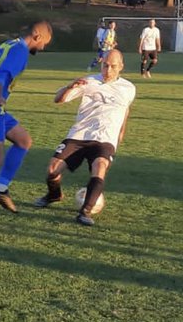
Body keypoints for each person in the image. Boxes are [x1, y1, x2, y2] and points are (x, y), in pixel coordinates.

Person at [0, 20, 53, 230]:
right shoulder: (20, 51)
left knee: (23, 141)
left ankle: (1, 188)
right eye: (45, 43)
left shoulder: (7, 45)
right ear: (37, 36)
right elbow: (2, 74)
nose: (43, 48)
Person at [34, 48, 135, 226]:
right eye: (105, 65)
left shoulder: (128, 88)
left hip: (105, 139)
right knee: (52, 170)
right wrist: (69, 87)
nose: (108, 70)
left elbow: (125, 112)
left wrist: (119, 136)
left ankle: (85, 212)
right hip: (79, 135)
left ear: (121, 67)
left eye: (112, 66)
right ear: (101, 63)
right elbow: (58, 99)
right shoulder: (88, 81)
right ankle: (54, 195)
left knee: (100, 167)